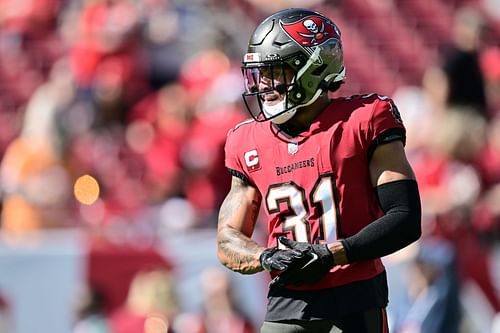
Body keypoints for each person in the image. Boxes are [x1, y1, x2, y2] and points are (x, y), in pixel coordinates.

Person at [216, 7, 422, 333]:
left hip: (355, 296)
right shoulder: (245, 141)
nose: (265, 84)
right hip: (287, 302)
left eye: (276, 71)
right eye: (260, 73)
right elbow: (227, 238)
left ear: (313, 69)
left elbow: (405, 218)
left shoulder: (364, 118)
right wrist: (267, 257)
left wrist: (331, 254)